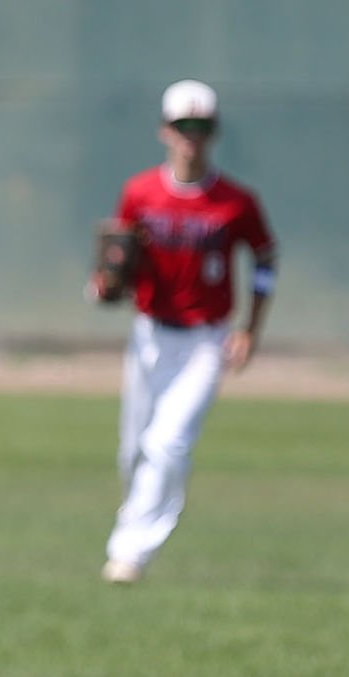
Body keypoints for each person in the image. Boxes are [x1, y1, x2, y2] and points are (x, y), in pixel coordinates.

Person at [89, 79, 277, 584]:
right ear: (164, 131)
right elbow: (117, 252)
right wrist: (106, 282)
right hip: (150, 333)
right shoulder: (141, 192)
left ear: (213, 133)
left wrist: (250, 328)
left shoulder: (236, 201)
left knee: (168, 444)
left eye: (201, 127)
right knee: (135, 450)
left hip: (204, 339)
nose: (191, 137)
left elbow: (264, 259)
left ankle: (129, 553)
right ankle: (139, 525)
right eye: (182, 126)